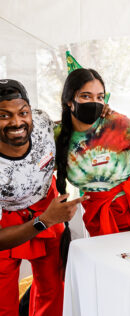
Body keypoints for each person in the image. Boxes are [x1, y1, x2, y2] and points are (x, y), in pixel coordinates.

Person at [0, 79, 88, 316]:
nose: (17, 122)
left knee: (54, 289)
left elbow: (76, 127)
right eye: (4, 115)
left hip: (43, 203)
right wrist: (45, 220)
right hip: (5, 220)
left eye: (22, 112)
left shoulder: (42, 122)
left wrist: (104, 114)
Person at [55, 68, 130, 237]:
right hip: (102, 216)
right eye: (86, 96)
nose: (94, 102)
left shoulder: (114, 122)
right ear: (69, 100)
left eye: (100, 97)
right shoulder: (56, 136)